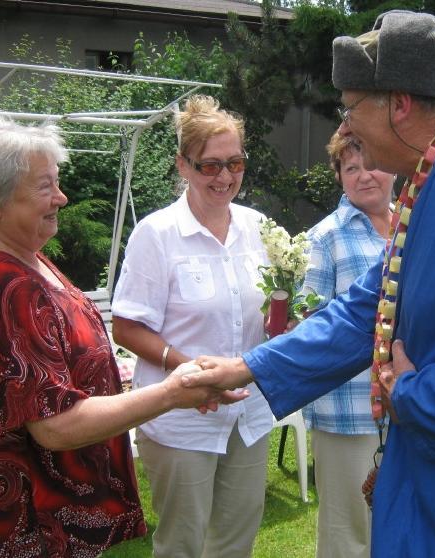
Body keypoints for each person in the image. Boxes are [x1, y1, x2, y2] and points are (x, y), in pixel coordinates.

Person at [182, 10, 435, 557]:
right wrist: (250, 367)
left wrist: (412, 394)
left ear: (399, 104)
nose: (343, 129)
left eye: (349, 109)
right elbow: (367, 308)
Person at [0, 116, 244, 558]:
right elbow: (56, 427)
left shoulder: (21, 256)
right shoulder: (0, 287)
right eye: (45, 187)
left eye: (57, 182)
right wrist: (173, 392)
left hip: (53, 513)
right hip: (27, 525)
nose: (61, 197)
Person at [111, 94, 273, 558]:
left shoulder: (259, 228)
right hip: (183, 418)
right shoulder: (157, 235)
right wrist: (194, 374)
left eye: (236, 163)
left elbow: (270, 313)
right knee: (182, 544)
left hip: (249, 415)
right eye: (210, 166)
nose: (225, 177)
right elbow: (127, 327)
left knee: (235, 541)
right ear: (183, 165)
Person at [300, 132, 393, 558]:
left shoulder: (412, 225)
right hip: (347, 410)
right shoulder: (326, 237)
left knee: (393, 522)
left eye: (370, 163)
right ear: (339, 177)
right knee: (348, 533)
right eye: (350, 168)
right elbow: (310, 323)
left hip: (405, 406)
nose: (364, 176)